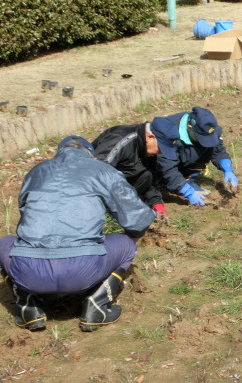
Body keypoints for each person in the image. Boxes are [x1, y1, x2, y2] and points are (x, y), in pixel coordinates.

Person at [0, 136, 155, 332]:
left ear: (59, 153)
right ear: (91, 155)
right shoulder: (102, 170)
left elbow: (26, 215)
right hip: (82, 271)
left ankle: (27, 303)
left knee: (4, 244)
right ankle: (97, 304)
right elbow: (138, 219)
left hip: (29, 272)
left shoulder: (37, 171)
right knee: (126, 245)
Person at [92, 117, 180, 222]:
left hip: (119, 183)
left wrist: (156, 202)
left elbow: (151, 177)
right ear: (150, 137)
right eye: (161, 148)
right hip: (94, 187)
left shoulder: (147, 146)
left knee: (147, 175)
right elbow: (96, 171)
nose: (161, 152)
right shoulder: (121, 139)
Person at [157, 107, 239, 206]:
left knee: (208, 146)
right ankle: (172, 184)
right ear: (190, 127)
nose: (205, 139)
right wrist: (188, 192)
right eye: (201, 136)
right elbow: (167, 167)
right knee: (162, 174)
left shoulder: (208, 127)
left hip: (183, 157)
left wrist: (227, 168)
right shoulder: (167, 131)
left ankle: (188, 180)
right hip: (159, 163)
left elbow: (217, 149)